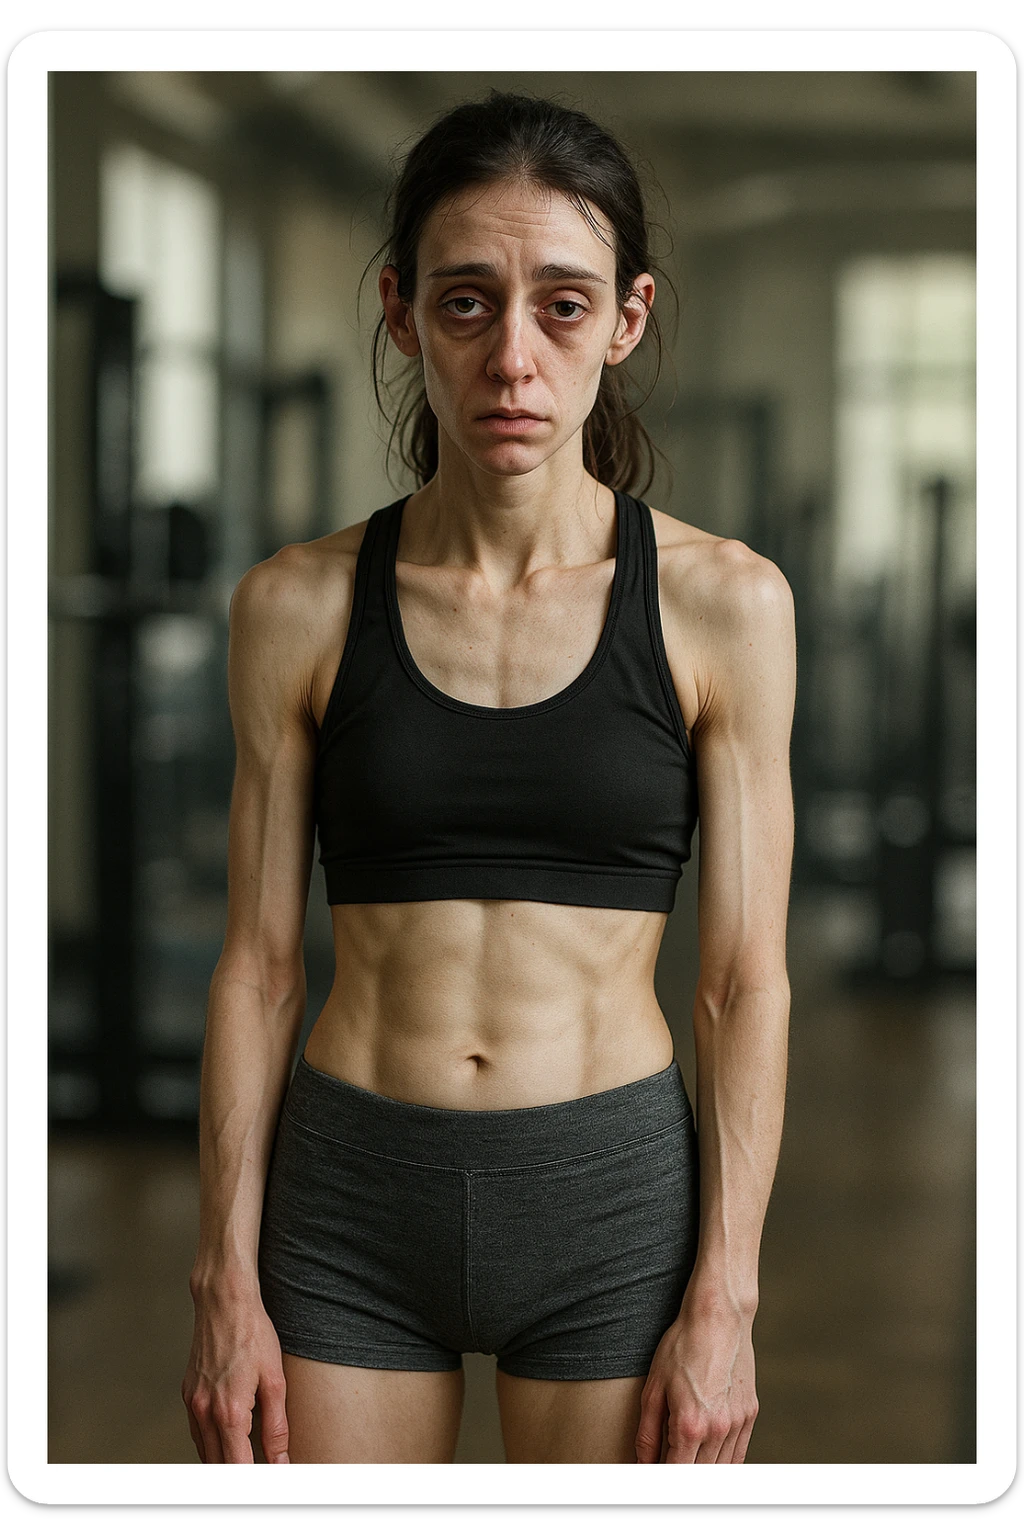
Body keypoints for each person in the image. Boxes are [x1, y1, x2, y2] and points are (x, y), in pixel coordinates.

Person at [181, 90, 795, 1466]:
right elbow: (257, 967)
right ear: (403, 313)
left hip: (608, 1205)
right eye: (468, 303)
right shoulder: (296, 605)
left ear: (626, 321)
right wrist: (223, 1278)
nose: (513, 357)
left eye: (562, 307)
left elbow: (743, 979)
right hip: (349, 1201)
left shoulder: (724, 606)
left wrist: (729, 1296)